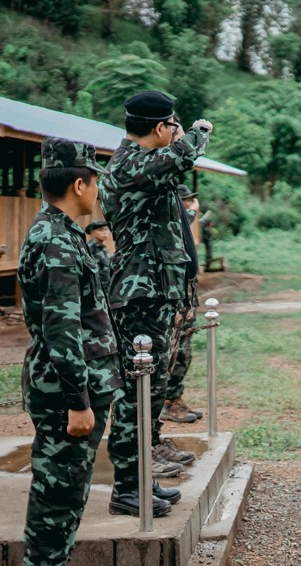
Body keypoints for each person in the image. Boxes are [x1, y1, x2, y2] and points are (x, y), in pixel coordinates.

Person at [18, 138, 133, 565]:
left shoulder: (60, 233)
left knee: (66, 497)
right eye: (96, 183)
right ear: (80, 184)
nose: (99, 192)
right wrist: (78, 401)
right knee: (57, 500)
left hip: (75, 385)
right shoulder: (57, 243)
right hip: (67, 392)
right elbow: (61, 328)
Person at [101, 91, 212, 515]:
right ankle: (126, 487)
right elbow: (182, 156)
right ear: (162, 127)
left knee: (152, 386)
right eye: (172, 126)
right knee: (135, 388)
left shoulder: (147, 166)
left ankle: (138, 479)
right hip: (138, 291)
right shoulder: (131, 163)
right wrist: (198, 131)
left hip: (154, 289)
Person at [162, 184, 204, 424]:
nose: (189, 204)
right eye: (185, 200)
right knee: (175, 353)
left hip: (185, 299)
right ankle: (168, 402)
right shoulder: (173, 224)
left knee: (184, 353)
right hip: (177, 300)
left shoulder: (180, 225)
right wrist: (190, 213)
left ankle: (175, 398)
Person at [85, 219, 113, 292]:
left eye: (106, 229)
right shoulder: (90, 248)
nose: (104, 232)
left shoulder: (102, 248)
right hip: (96, 289)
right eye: (100, 230)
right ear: (92, 232)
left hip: (106, 288)